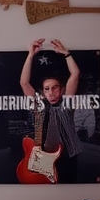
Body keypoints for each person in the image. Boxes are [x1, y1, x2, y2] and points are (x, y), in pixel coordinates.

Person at [19, 38, 84, 183]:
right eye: (47, 89)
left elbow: (74, 74)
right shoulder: (39, 104)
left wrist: (66, 54)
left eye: (55, 88)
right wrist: (30, 55)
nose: (51, 92)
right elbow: (24, 82)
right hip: (44, 156)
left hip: (67, 156)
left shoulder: (65, 104)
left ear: (61, 90)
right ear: (43, 92)